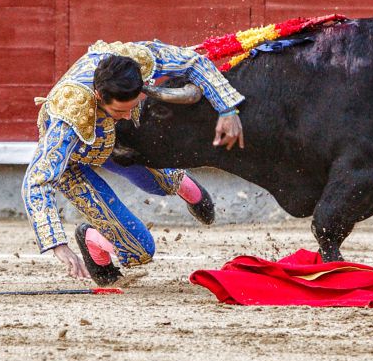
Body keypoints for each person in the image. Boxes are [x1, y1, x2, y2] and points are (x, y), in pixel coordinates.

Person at [23, 40, 244, 285]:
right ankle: (91, 239)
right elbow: (37, 181)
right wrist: (57, 244)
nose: (128, 114)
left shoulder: (135, 61)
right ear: (98, 96)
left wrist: (227, 110)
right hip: (74, 158)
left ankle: (186, 186)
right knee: (139, 250)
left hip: (116, 136)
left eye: (132, 106)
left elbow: (194, 62)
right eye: (120, 110)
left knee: (161, 180)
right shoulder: (69, 116)